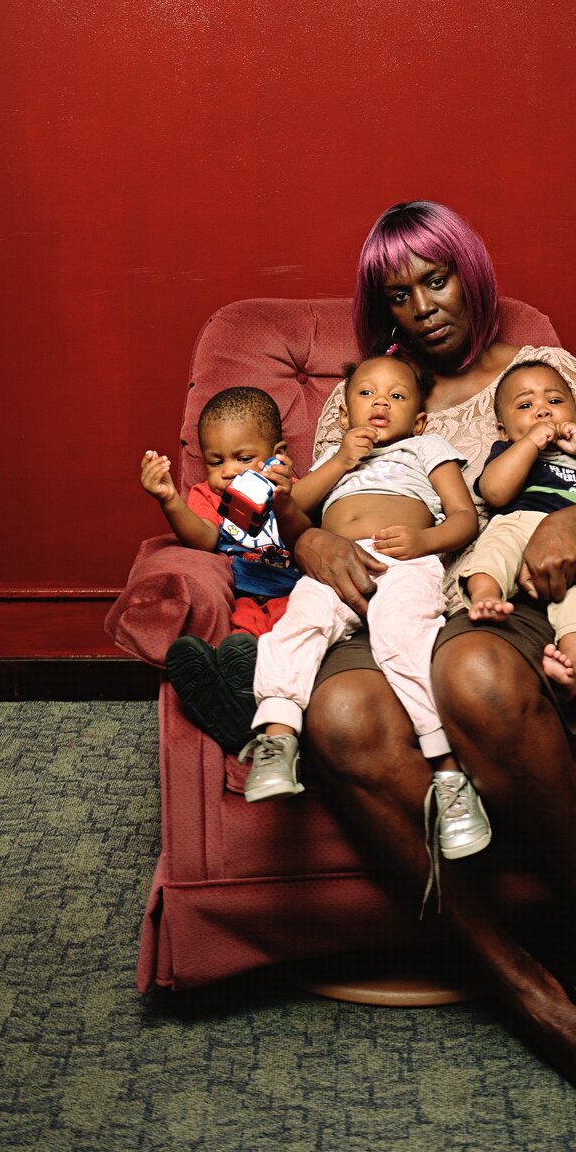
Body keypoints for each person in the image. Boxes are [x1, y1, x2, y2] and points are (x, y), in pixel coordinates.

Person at [291, 200, 576, 1115]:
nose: (424, 308)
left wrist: (568, 521)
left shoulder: (543, 372)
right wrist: (313, 547)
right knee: (338, 716)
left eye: (436, 281)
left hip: (497, 600)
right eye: (399, 296)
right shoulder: (367, 393)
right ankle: (514, 977)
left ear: (469, 273)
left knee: (471, 673)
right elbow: (312, 511)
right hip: (379, 603)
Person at [241, 357, 492, 881]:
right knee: (297, 626)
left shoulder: (427, 449)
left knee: (406, 641)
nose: (381, 403)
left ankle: (449, 776)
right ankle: (277, 733)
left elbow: (465, 517)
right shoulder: (337, 455)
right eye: (368, 394)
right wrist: (336, 464)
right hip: (334, 564)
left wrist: (425, 539)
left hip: (403, 561)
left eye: (397, 397)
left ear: (419, 420)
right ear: (345, 410)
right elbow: (296, 514)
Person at [459, 358, 576, 704]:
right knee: (496, 551)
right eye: (526, 405)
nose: (543, 411)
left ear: (575, 414)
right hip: (519, 522)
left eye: (554, 402)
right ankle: (486, 598)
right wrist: (528, 445)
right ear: (503, 430)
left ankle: (570, 667)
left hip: (575, 546)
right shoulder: (508, 450)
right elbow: (495, 492)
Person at [139, 386, 303, 752]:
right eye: (216, 462)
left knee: (289, 642)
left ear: (276, 455)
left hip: (293, 594)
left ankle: (252, 710)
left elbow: (308, 534)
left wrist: (285, 497)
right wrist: (169, 500)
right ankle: (233, 693)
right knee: (238, 643)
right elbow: (203, 538)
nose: (228, 472)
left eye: (243, 458)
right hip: (243, 593)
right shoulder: (207, 495)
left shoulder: (288, 490)